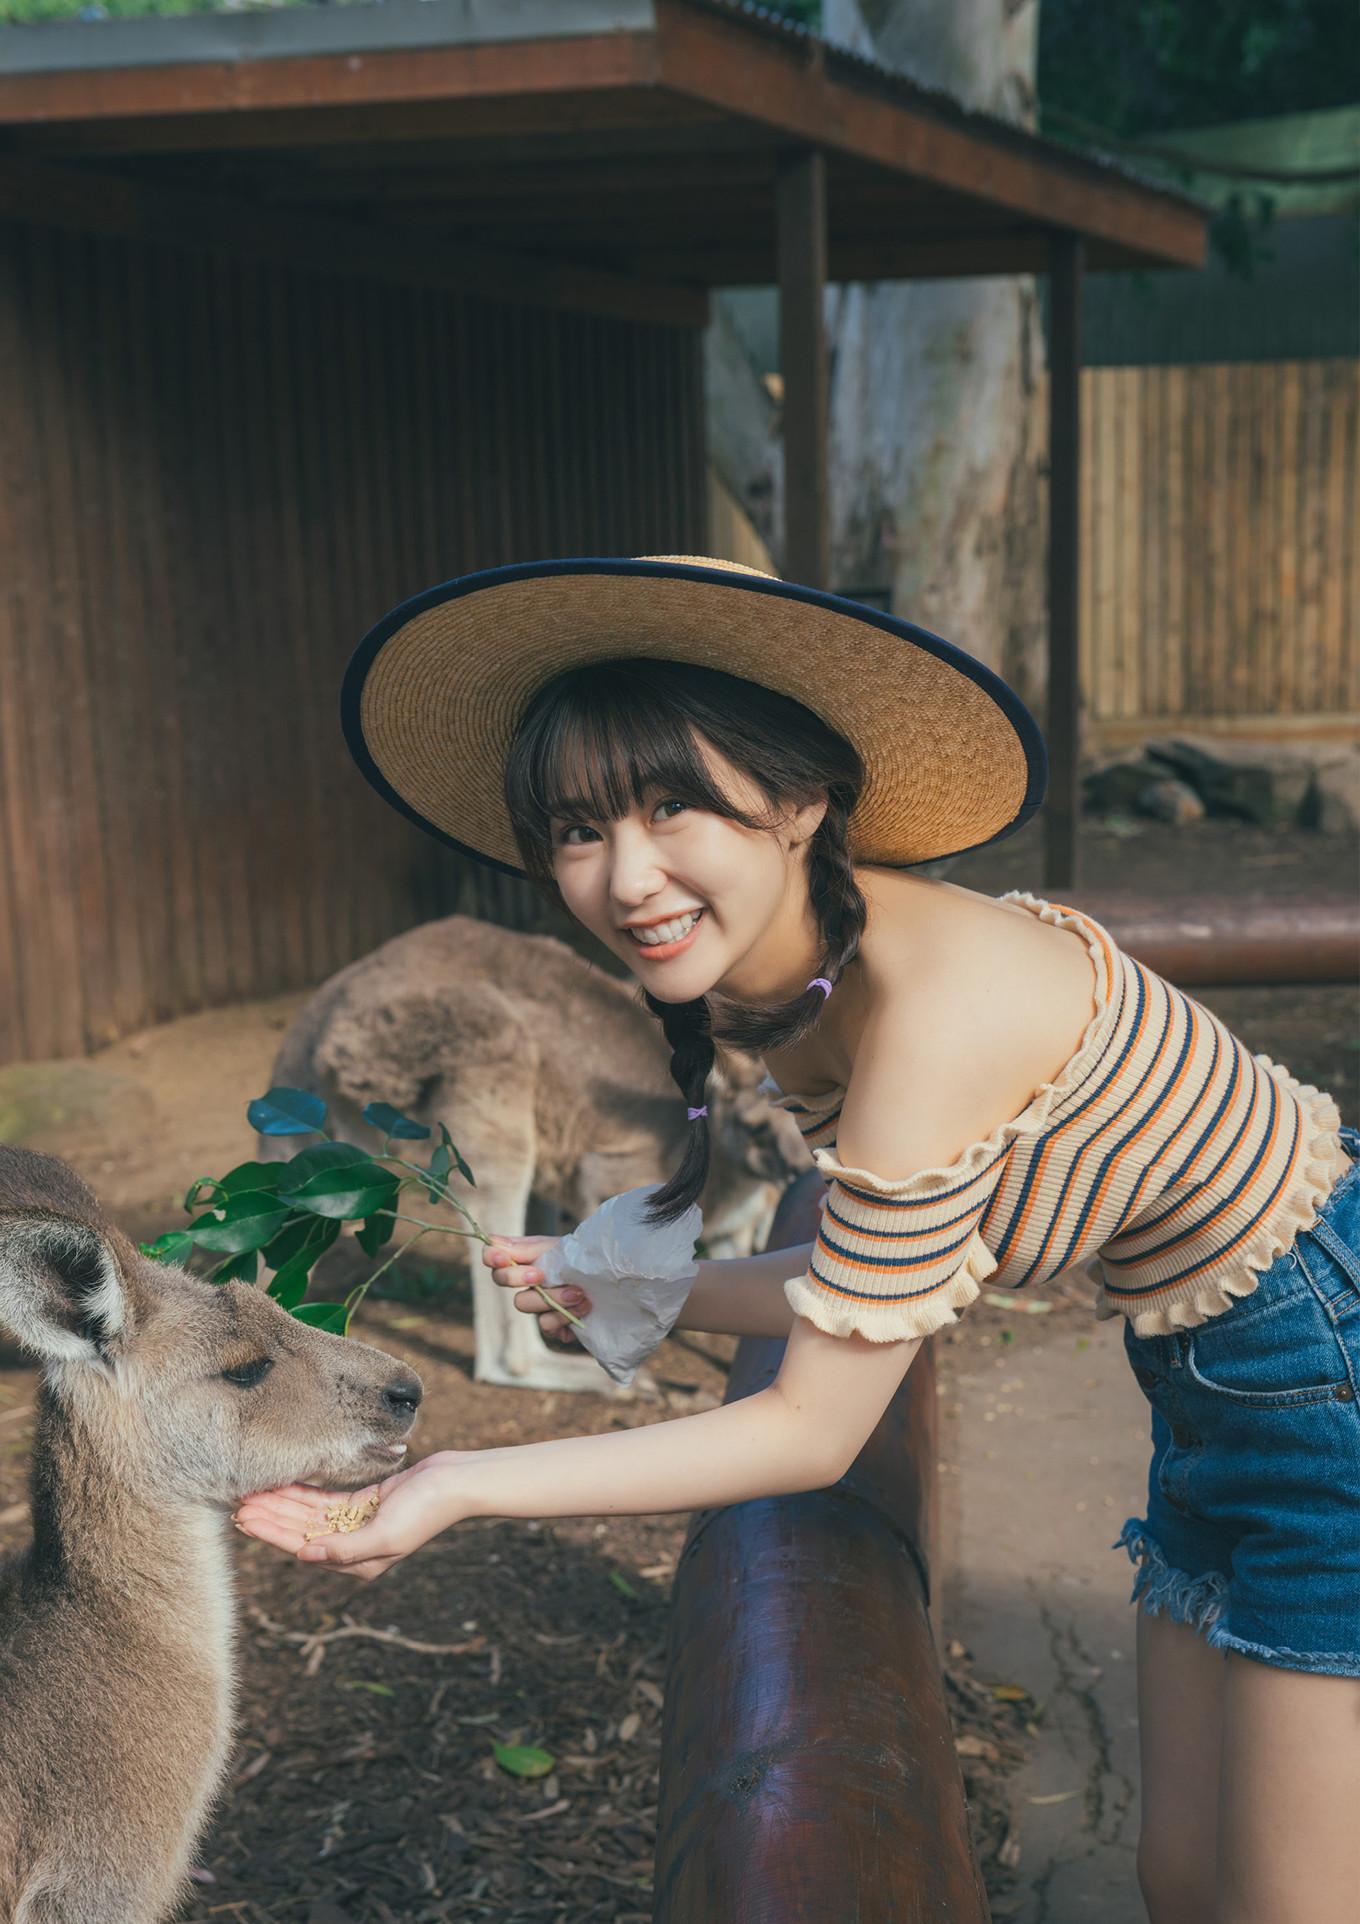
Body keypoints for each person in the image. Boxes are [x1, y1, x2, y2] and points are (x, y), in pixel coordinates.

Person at [234, 554, 1358, 1922]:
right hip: (1217, 1372)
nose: (625, 875)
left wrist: (462, 1483)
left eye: (673, 805)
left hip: (1320, 1361)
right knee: (1182, 1877)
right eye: (579, 829)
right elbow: (873, 1289)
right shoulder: (804, 979)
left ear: (802, 800)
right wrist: (642, 1284)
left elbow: (813, 1430)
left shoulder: (929, 1013)